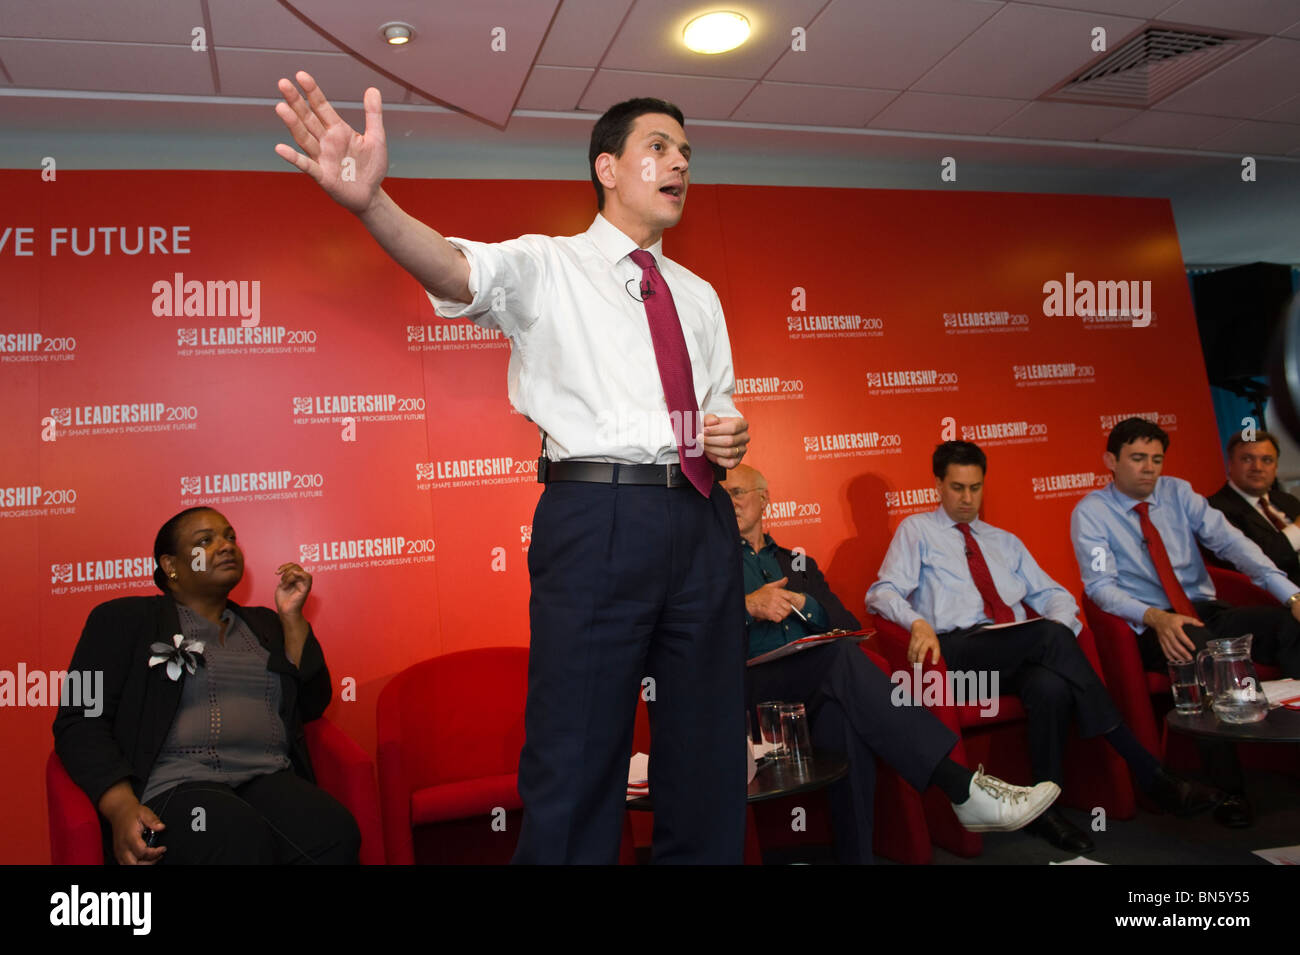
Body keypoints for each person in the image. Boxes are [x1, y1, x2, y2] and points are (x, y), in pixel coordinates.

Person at [274, 74, 751, 863]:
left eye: (687, 155)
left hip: (702, 519)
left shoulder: (697, 294)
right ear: (606, 166)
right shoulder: (548, 264)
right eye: (658, 148)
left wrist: (728, 437)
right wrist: (371, 203)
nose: (679, 166)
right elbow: (456, 273)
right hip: (598, 518)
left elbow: (719, 405)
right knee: (578, 752)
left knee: (706, 755)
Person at [869, 442, 1220, 854]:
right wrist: (917, 621)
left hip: (1015, 651)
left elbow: (1055, 594)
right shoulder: (917, 531)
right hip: (960, 664)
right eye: (957, 488)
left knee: (1050, 684)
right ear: (938, 487)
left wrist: (1059, 626)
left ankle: (1044, 811)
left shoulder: (1004, 541)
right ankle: (1148, 771)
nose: (967, 499)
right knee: (1050, 639)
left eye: (975, 488)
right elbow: (882, 592)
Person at [725, 464, 1060, 863]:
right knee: (839, 659)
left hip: (813, 691)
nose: (729, 503)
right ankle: (961, 785)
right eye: (723, 495)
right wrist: (748, 606)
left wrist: (804, 603)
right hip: (748, 691)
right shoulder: (713, 564)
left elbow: (846, 625)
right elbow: (694, 628)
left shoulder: (797, 564)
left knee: (843, 713)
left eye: (738, 493)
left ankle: (859, 858)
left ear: (764, 498)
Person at [53, 507, 359, 865]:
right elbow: (77, 719)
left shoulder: (265, 625)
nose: (226, 545)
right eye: (205, 541)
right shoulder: (119, 619)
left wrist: (292, 619)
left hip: (265, 776)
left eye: (230, 536)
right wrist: (121, 806)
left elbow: (311, 703)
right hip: (177, 787)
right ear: (170, 565)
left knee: (332, 831)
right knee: (233, 833)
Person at [1071, 417, 1300, 827]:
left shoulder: (1179, 493)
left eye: (1156, 459)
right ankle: (1231, 792)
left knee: (1288, 626)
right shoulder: (1092, 513)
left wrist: (1292, 595)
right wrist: (1156, 617)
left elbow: (1233, 544)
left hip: (1204, 610)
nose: (1149, 468)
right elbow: (1101, 588)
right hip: (1147, 625)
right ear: (1111, 460)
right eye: (1137, 458)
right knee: (1204, 651)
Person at [1207, 429, 1300, 585]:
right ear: (1230, 464)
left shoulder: (1287, 500)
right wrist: (1297, 530)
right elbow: (1252, 561)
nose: (1257, 467)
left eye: (1267, 460)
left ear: (1276, 467)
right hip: (1277, 597)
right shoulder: (1213, 509)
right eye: (1247, 459)